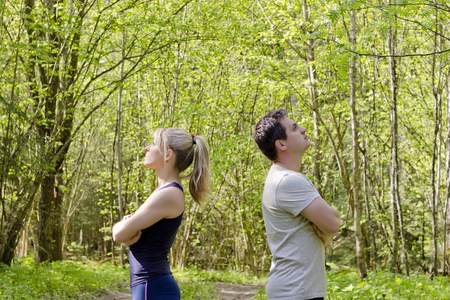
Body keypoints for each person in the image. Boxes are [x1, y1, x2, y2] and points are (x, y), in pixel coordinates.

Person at [113, 127, 210, 300]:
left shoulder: (168, 194)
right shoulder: (164, 192)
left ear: (167, 155)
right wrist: (128, 236)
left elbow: (118, 233)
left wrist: (125, 230)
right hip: (151, 286)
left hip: (152, 287)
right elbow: (127, 236)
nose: (147, 148)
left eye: (153, 143)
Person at [253, 109, 340, 300]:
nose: (303, 129)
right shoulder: (288, 181)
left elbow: (329, 223)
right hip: (296, 291)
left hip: (296, 290)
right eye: (294, 128)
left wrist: (325, 229)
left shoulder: (281, 178)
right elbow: (333, 222)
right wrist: (326, 231)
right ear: (281, 144)